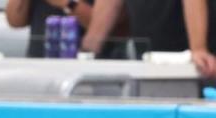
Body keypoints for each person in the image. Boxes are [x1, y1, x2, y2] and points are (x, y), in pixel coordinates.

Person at [82, 0, 216, 78]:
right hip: (145, 57)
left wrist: (198, 47)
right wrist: (87, 50)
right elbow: (110, 3)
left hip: (186, 59)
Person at [4, 0, 125, 58]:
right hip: (39, 61)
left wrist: (68, 4)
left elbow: (110, 29)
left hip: (88, 65)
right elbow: (15, 21)